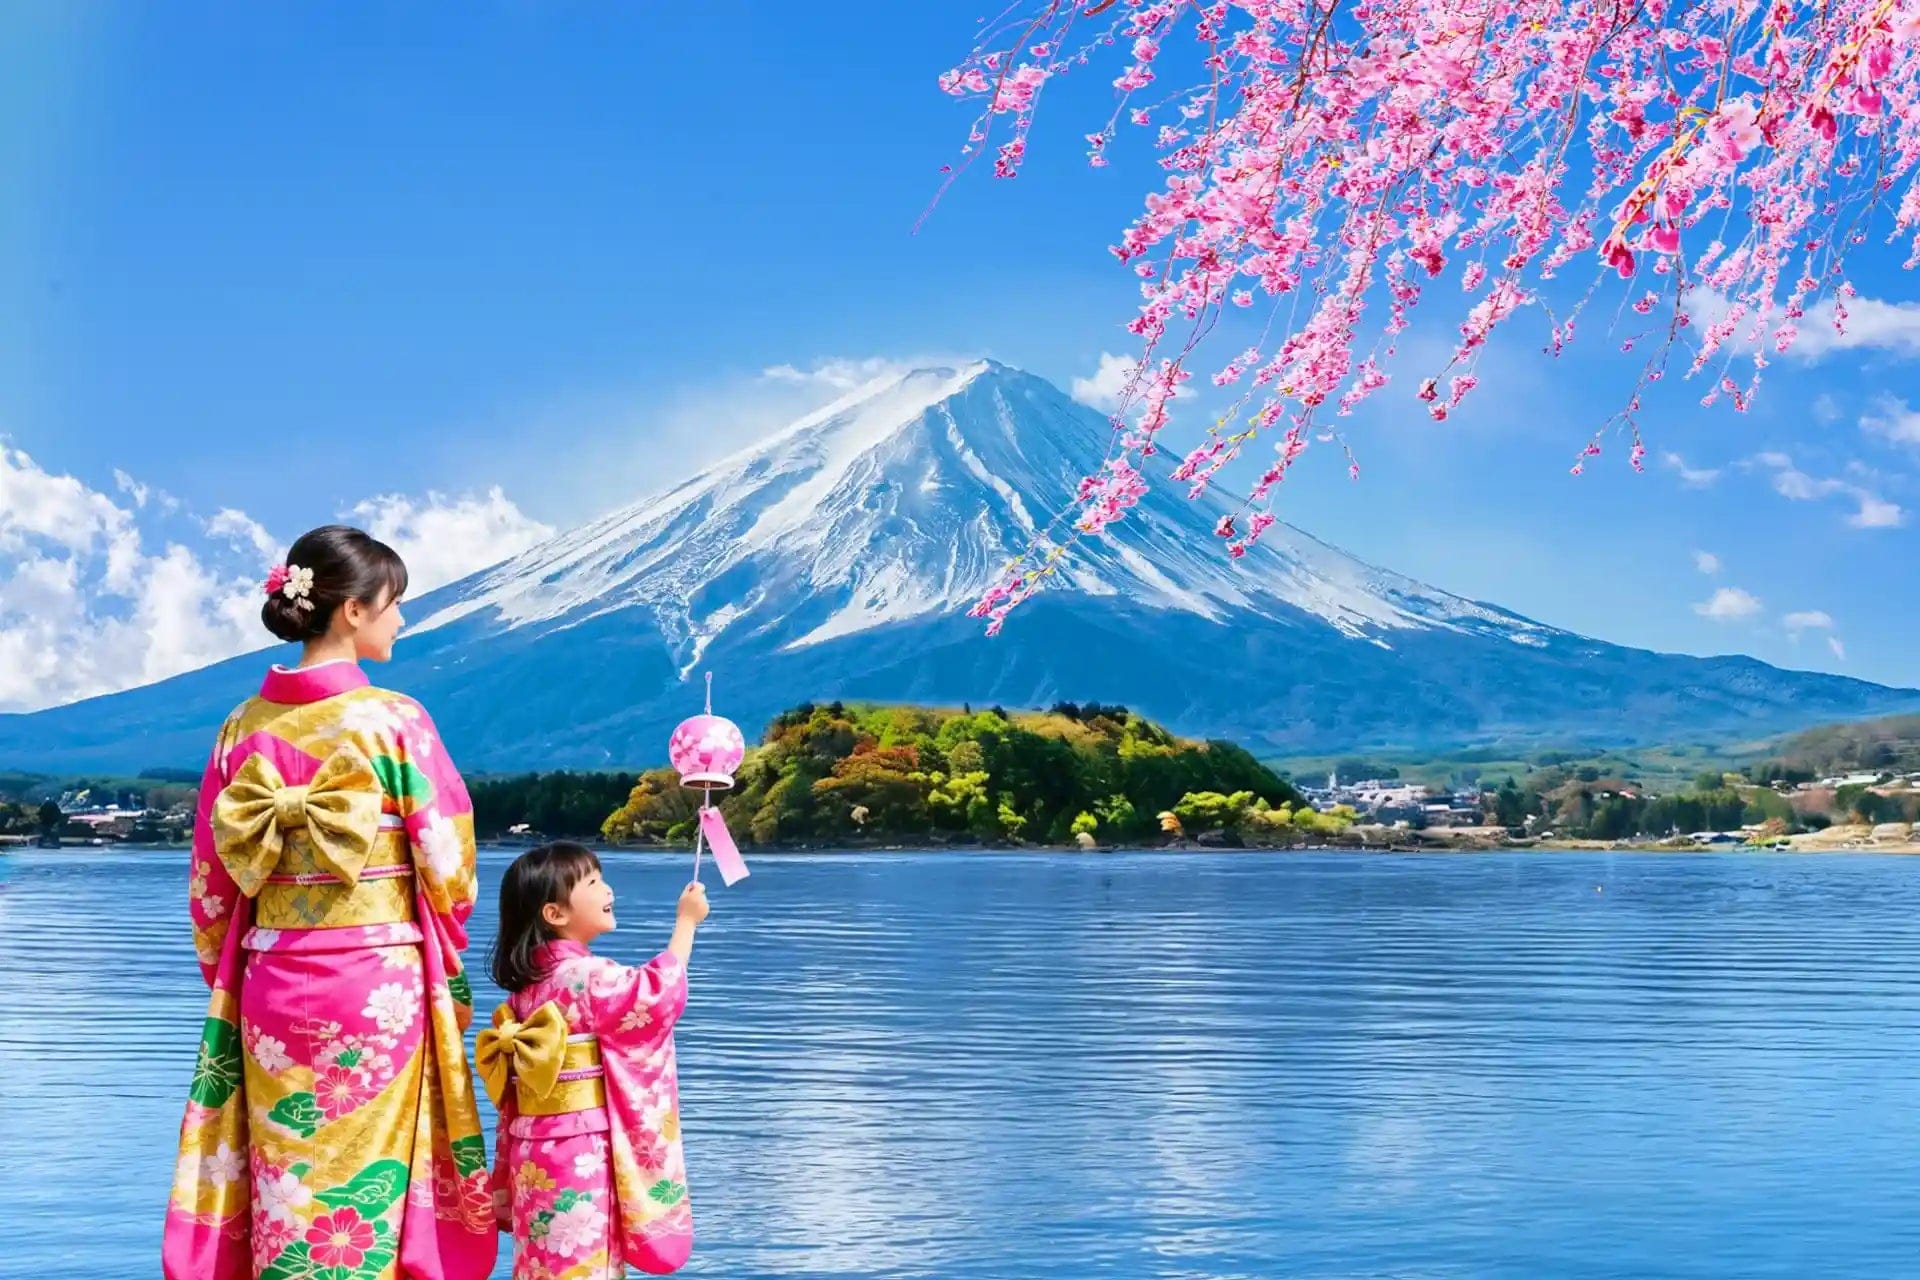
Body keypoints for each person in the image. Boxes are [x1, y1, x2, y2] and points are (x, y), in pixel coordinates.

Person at [163, 525, 497, 1280]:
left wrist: (232, 970)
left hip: (271, 980)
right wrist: (445, 962)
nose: (401, 619)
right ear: (352, 610)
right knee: (368, 1165)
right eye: (394, 603)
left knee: (285, 1165)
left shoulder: (240, 728)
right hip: (377, 983)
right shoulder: (395, 721)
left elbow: (211, 885)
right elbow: (449, 866)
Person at [481, 843, 707, 1277]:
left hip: (533, 1149)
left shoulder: (528, 987)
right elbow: (657, 996)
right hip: (581, 1148)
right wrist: (686, 922)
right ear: (555, 913)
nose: (608, 889)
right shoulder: (585, 977)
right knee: (589, 1261)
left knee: (542, 1264)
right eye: (592, 882)